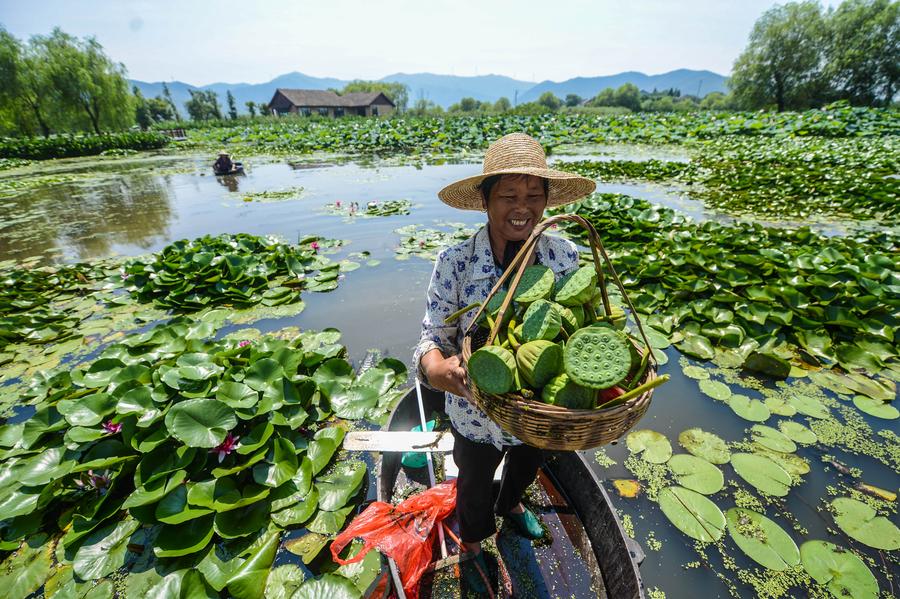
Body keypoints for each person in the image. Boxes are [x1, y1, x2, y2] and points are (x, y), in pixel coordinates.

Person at [413, 132, 595, 587]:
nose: (523, 206)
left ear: (549, 200)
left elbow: (582, 327)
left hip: (540, 407)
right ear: (485, 200)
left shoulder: (563, 255)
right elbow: (432, 337)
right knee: (473, 480)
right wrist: (437, 370)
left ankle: (512, 504)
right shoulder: (455, 261)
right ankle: (473, 541)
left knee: (527, 464)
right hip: (474, 410)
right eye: (509, 194)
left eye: (535, 195)